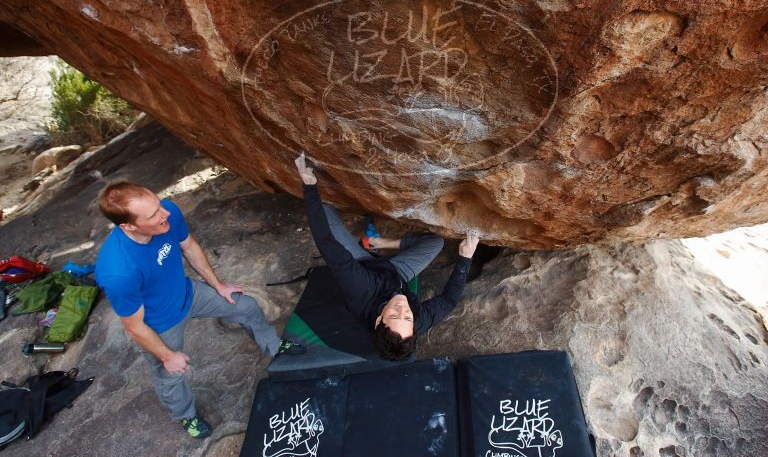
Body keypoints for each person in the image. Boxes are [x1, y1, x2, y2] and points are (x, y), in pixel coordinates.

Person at [94, 181, 303, 439]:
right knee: (170, 374)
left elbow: (190, 247)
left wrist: (218, 285)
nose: (165, 213)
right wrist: (167, 356)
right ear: (128, 226)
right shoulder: (118, 270)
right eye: (153, 215)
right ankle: (185, 416)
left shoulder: (167, 214)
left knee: (246, 306)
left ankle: (272, 346)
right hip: (160, 322)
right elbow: (134, 326)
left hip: (188, 293)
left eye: (159, 205)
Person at [294, 153, 479, 360]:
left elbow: (326, 242)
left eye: (393, 315)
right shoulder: (414, 322)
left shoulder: (360, 288)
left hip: (360, 265)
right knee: (435, 243)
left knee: (324, 209)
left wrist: (309, 187)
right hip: (395, 273)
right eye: (407, 317)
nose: (402, 309)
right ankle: (379, 244)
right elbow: (449, 301)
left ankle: (365, 246)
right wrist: (465, 259)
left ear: (378, 320)